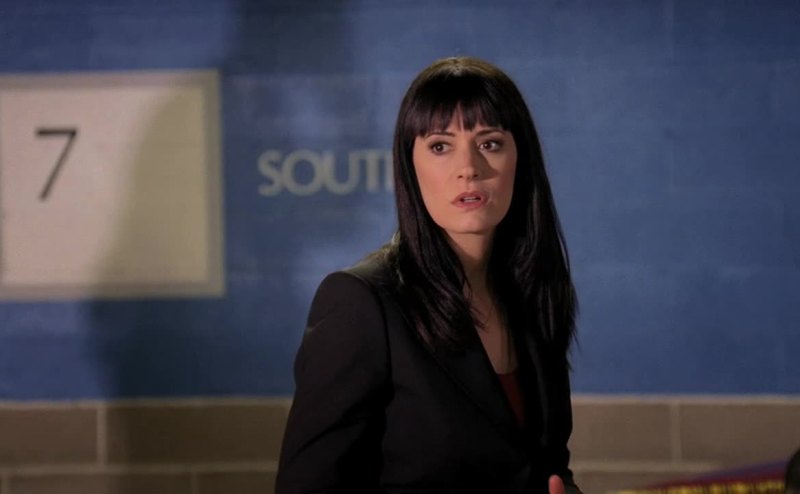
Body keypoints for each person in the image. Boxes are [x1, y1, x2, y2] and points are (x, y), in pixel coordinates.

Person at [276, 56, 581, 494]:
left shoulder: (535, 295)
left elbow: (548, 468)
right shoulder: (361, 302)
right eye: (440, 146)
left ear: (522, 158)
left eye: (490, 143)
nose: (468, 167)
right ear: (410, 166)